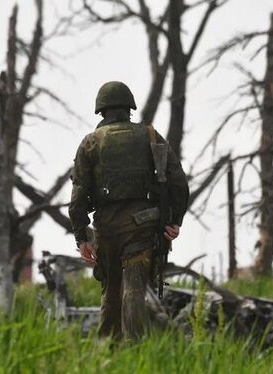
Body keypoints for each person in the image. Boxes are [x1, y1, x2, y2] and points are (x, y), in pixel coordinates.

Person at [68, 81, 189, 340]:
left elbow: (78, 195)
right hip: (142, 227)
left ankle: (108, 354)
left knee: (111, 291)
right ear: (129, 108)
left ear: (101, 111)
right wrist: (175, 221)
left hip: (107, 229)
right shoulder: (150, 136)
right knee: (134, 286)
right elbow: (178, 181)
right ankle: (134, 351)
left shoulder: (90, 143)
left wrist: (81, 238)